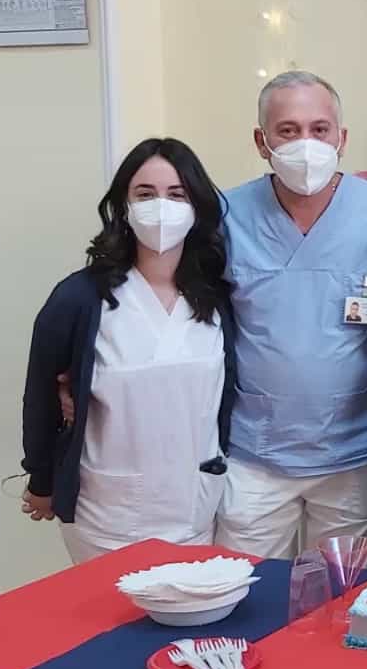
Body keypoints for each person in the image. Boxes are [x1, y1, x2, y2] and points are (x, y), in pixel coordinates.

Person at [215, 70, 367, 559]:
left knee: (341, 593)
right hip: (255, 456)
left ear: (341, 139)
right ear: (261, 142)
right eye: (288, 131)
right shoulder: (224, 217)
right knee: (245, 588)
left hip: (353, 454)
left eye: (319, 129)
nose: (306, 144)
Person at [21, 138, 235, 564]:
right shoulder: (79, 299)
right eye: (145, 194)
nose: (162, 208)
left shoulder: (215, 298)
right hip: (106, 514)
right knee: (111, 607)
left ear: (196, 208)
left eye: (177, 194)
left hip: (194, 505)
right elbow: (41, 396)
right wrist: (42, 479)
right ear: (124, 206)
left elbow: (227, 398)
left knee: (190, 605)